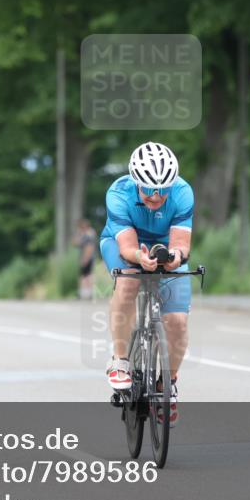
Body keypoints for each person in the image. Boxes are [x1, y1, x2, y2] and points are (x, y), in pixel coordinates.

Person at [99, 141, 193, 426]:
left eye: (162, 191)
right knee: (128, 282)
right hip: (123, 244)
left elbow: (181, 246)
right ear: (136, 182)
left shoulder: (183, 193)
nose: (155, 197)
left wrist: (174, 258)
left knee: (177, 320)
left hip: (165, 247)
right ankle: (120, 360)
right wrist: (139, 257)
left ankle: (168, 386)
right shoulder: (118, 193)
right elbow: (127, 247)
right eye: (149, 191)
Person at [74, 219, 97, 300]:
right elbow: (75, 243)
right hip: (86, 257)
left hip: (87, 257)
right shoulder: (85, 234)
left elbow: (89, 247)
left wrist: (85, 259)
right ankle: (86, 293)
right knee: (85, 276)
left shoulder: (89, 234)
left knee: (86, 276)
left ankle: (86, 293)